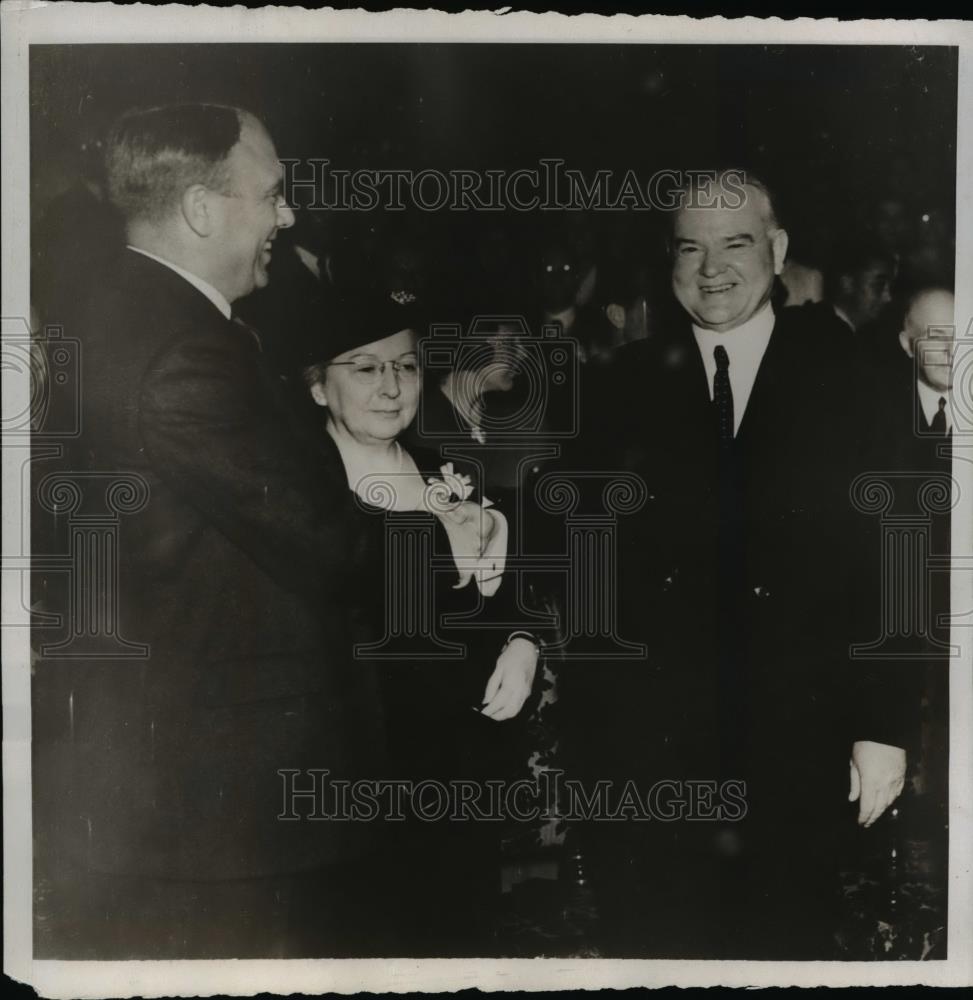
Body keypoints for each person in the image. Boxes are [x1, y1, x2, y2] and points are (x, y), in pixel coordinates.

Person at [31, 103, 391, 958]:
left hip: (158, 784)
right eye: (272, 194)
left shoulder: (102, 311)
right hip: (224, 806)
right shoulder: (184, 354)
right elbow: (328, 543)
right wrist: (456, 533)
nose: (288, 215)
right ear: (200, 210)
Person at [566, 171, 915, 959]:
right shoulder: (619, 384)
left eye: (736, 244)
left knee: (783, 946)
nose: (711, 267)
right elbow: (581, 557)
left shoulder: (854, 381)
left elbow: (897, 560)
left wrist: (882, 727)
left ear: (778, 251)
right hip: (653, 752)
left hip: (801, 735)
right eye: (690, 246)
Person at [300, 280, 545, 954]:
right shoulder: (303, 489)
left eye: (405, 366)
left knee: (456, 932)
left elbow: (513, 579)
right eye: (365, 368)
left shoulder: (446, 468)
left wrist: (523, 640)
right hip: (353, 774)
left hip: (459, 765)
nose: (391, 386)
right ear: (319, 387)